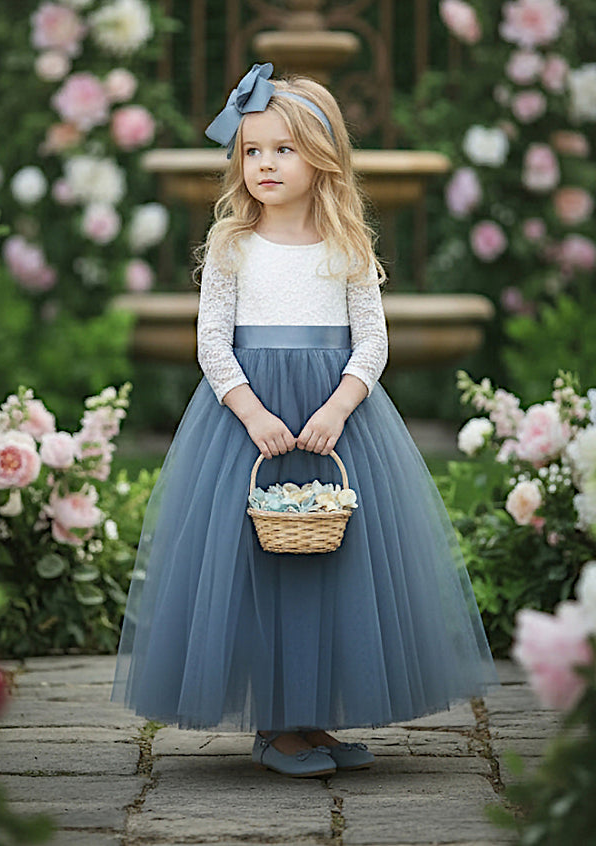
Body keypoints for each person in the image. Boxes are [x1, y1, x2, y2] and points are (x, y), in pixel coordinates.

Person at [111, 63, 500, 778]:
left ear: (321, 159)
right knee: (256, 568)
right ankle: (275, 727)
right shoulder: (232, 245)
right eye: (252, 150)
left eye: (282, 149)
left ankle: (312, 718)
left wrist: (340, 405)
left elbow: (372, 341)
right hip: (247, 427)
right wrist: (251, 410)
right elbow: (211, 344)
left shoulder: (346, 246)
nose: (263, 163)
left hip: (333, 420)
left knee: (329, 564)